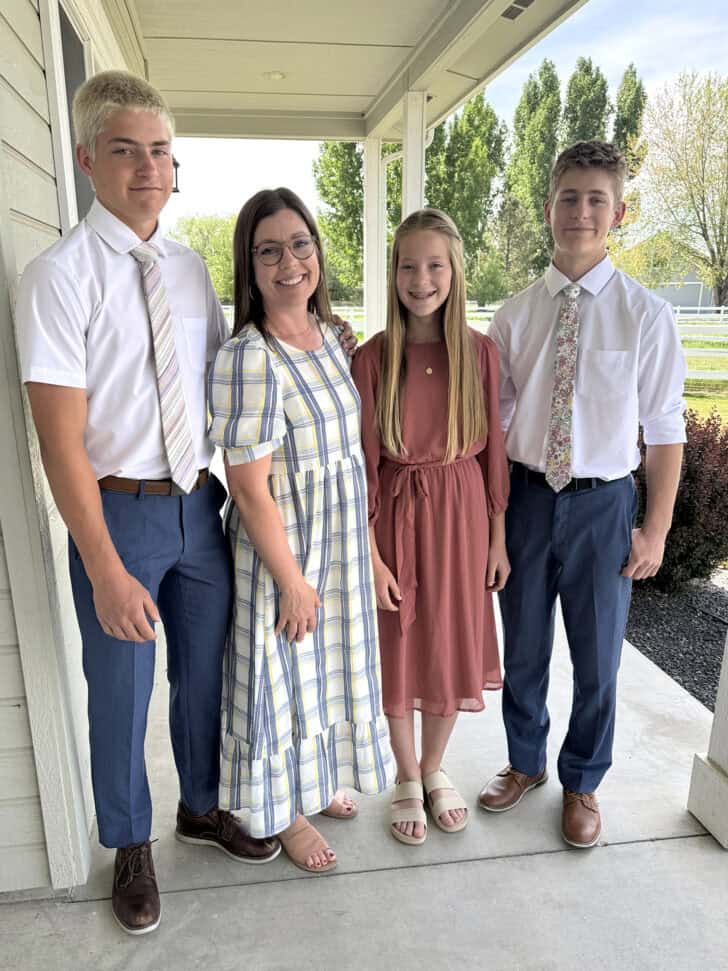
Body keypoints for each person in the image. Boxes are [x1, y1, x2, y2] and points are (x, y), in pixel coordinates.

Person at [478, 141, 687, 848]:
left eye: (598, 199)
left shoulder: (646, 316)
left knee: (598, 658)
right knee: (525, 647)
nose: (581, 211)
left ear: (618, 212)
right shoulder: (513, 316)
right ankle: (525, 762)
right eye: (569, 197)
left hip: (603, 506)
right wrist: (495, 524)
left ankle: (583, 779)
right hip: (529, 497)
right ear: (549, 207)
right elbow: (494, 424)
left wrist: (654, 529)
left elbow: (663, 431)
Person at [207, 187, 394, 874]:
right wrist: (291, 580)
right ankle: (282, 813)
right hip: (284, 550)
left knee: (321, 671)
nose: (289, 262)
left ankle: (312, 782)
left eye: (300, 244)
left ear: (317, 251)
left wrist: (368, 555)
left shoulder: (329, 338)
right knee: (279, 676)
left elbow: (349, 462)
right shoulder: (248, 357)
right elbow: (249, 486)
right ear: (250, 269)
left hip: (338, 546)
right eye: (268, 251)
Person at [351, 209, 510, 845]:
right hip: (394, 512)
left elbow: (494, 450)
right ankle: (405, 775)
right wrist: (372, 554)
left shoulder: (478, 353)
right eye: (409, 266)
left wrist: (498, 538)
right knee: (398, 643)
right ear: (393, 274)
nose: (422, 279)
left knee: (451, 639)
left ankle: (435, 764)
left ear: (455, 272)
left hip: (462, 512)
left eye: (435, 265)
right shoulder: (372, 358)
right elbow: (361, 465)